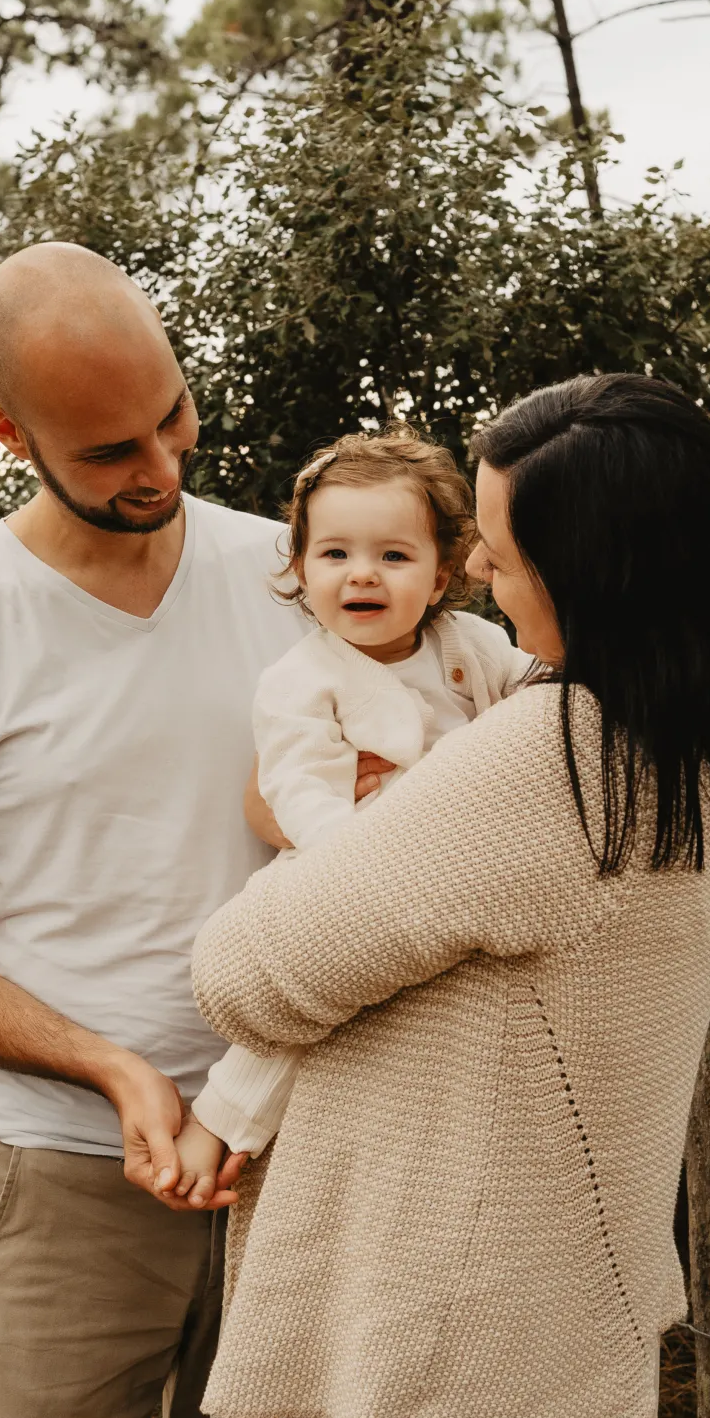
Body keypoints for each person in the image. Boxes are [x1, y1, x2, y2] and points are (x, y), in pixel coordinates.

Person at [182, 373, 710, 1418]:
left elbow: (246, 974)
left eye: (502, 549)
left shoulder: (557, 756)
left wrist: (337, 828)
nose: (474, 569)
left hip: (428, 1342)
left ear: (595, 570)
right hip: (560, 1311)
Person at [0, 242, 377, 1418]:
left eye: (172, 415)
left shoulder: (296, 578)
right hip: (63, 1178)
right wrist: (112, 1070)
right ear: (5, 432)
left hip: (294, 1165)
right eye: (107, 450)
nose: (159, 464)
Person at [169, 426, 533, 1204]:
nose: (362, 573)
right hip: (340, 860)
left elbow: (535, 694)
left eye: (394, 556)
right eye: (335, 554)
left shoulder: (470, 644)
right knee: (295, 1010)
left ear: (439, 577)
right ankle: (221, 1122)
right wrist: (355, 866)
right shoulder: (300, 679)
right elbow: (298, 785)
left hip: (459, 867)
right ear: (301, 570)